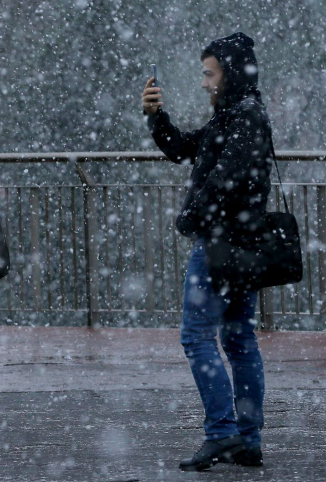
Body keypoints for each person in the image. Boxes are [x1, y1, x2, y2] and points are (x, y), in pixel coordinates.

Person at [142, 33, 271, 471]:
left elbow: (225, 181)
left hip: (221, 244)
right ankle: (247, 440)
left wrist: (190, 217)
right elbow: (181, 148)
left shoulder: (244, 117)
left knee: (197, 337)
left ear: (230, 73)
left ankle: (222, 432)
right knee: (238, 339)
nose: (204, 83)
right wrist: (157, 117)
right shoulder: (238, 114)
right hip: (245, 244)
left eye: (209, 73)